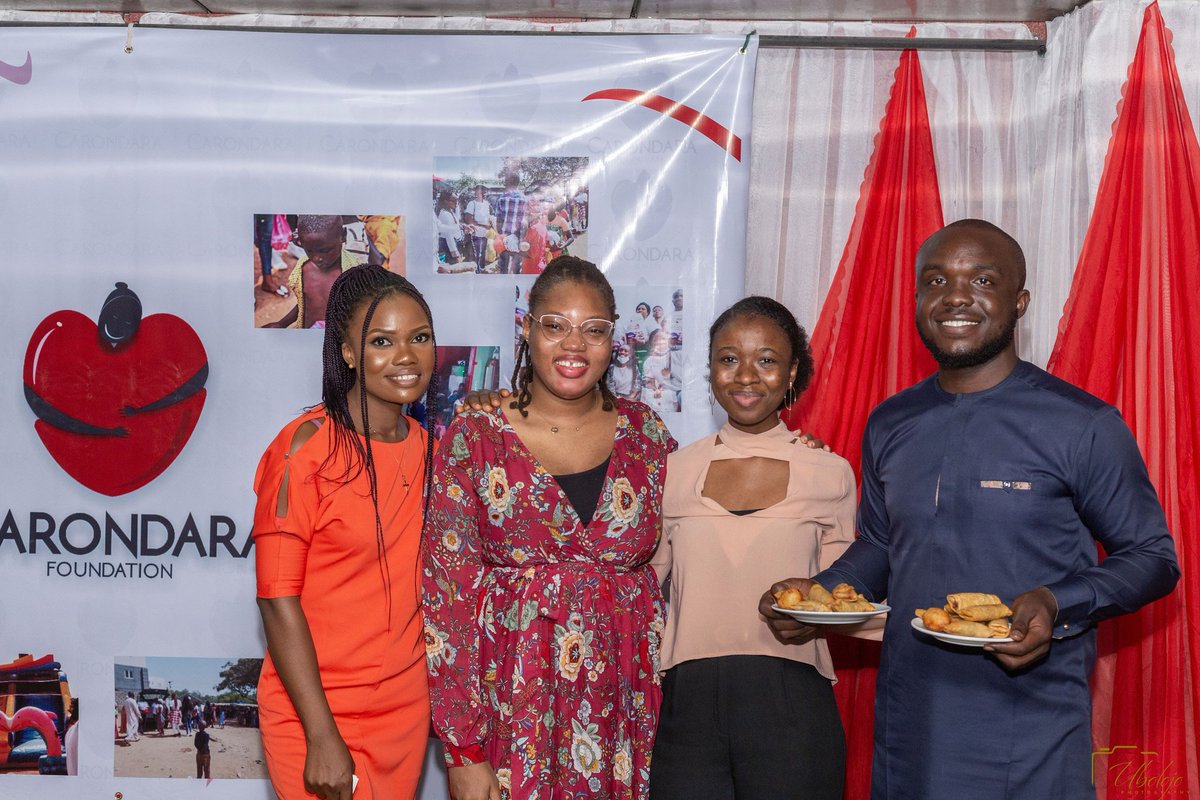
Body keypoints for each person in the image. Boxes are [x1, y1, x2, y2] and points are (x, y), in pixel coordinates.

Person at [759, 219, 1180, 800]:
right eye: (936, 281)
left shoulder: (1082, 425)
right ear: (917, 300)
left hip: (1031, 725)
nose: (956, 296)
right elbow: (881, 544)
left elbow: (1153, 557)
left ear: (1019, 301)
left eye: (982, 280)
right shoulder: (890, 422)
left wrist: (1056, 601)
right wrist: (817, 595)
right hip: (910, 723)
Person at [424, 255, 676, 800]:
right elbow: (448, 597)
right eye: (555, 325)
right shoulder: (478, 435)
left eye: (594, 329)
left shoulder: (647, 434)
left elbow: (690, 538)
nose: (573, 345)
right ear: (527, 328)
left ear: (613, 338)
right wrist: (463, 749)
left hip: (625, 711)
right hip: (513, 709)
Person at [649, 297, 859, 800]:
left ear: (792, 372)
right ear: (710, 368)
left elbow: (847, 600)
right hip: (687, 708)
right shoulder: (672, 470)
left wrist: (820, 616)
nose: (745, 376)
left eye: (766, 360)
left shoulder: (829, 471)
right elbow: (642, 591)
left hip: (793, 703)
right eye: (729, 359)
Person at [253, 264, 439, 800]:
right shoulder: (305, 448)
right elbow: (276, 599)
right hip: (315, 712)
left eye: (419, 338)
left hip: (403, 714)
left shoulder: (434, 453)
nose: (406, 356)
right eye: (381, 341)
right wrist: (321, 734)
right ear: (349, 353)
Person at [267, 216, 356, 329]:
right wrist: (282, 323)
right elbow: (305, 303)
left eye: (324, 250)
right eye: (309, 250)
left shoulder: (354, 275)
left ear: (343, 236)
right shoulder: (304, 268)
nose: (316, 258)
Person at [493, 172, 527, 275]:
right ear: (518, 183)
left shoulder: (501, 199)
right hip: (518, 236)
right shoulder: (524, 198)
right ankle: (515, 284)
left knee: (503, 264)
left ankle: (504, 283)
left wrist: (501, 235)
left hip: (505, 235)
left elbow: (498, 221)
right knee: (517, 265)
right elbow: (526, 221)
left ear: (509, 182)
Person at [641, 330, 680, 414]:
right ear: (652, 343)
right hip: (657, 392)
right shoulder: (648, 362)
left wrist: (671, 374)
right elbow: (649, 382)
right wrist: (656, 389)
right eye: (656, 340)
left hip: (675, 391)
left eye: (663, 339)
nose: (660, 342)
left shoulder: (676, 357)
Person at [464, 185, 494, 273]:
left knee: (483, 253)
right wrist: (483, 225)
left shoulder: (486, 204)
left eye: (483, 190)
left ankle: (482, 271)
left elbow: (488, 217)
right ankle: (477, 272)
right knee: (477, 254)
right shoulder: (472, 204)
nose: (481, 192)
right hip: (475, 234)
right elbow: (469, 220)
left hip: (485, 233)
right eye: (478, 190)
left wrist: (490, 224)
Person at [436, 190, 465, 266]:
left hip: (455, 244)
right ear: (446, 201)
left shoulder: (450, 211)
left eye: (457, 200)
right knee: (454, 267)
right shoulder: (445, 214)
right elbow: (449, 237)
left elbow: (457, 221)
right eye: (454, 200)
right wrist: (456, 255)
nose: (456, 203)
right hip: (450, 247)